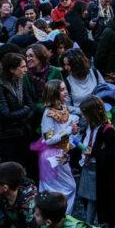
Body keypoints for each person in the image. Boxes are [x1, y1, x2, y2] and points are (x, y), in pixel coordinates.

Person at [77, 96, 115, 226]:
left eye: (85, 114)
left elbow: (113, 153)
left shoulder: (108, 131)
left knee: (99, 200)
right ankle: (93, 222)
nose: (83, 117)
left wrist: (94, 152)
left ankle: (93, 223)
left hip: (100, 173)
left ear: (92, 114)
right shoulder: (89, 127)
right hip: (88, 168)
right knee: (89, 199)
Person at [0, 52, 36, 174]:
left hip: (22, 131)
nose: (26, 69)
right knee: (11, 168)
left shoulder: (20, 80)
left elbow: (31, 105)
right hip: (6, 135)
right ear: (12, 69)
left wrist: (25, 113)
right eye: (22, 67)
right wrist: (25, 111)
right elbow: (5, 115)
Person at [36, 80, 78, 214]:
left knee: (68, 187)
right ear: (54, 93)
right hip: (52, 156)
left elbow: (69, 118)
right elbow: (48, 140)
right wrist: (69, 130)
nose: (65, 92)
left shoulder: (63, 106)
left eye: (65, 88)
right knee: (63, 189)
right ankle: (57, 217)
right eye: (61, 90)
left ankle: (60, 217)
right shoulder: (48, 115)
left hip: (62, 153)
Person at [0, 161, 38, 228]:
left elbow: (30, 225)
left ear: (5, 187)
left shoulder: (27, 203)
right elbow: (0, 220)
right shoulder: (2, 196)